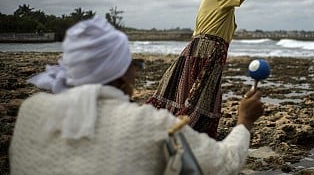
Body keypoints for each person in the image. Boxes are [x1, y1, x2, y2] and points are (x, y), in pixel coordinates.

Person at [9, 16, 264, 175]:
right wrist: (244, 122)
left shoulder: (31, 110)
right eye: (133, 63)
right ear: (120, 74)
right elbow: (224, 164)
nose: (136, 71)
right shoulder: (151, 124)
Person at [146, 0, 296, 138]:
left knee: (184, 92)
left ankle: (168, 127)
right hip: (209, 49)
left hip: (196, 47)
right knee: (201, 95)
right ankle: (186, 133)